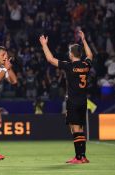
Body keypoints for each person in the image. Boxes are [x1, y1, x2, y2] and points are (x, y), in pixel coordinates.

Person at [39, 31, 93, 164]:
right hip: (83, 101)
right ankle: (83, 156)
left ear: (71, 54)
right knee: (80, 129)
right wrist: (84, 40)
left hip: (73, 101)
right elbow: (90, 55)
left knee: (75, 129)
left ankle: (78, 157)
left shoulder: (70, 66)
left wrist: (44, 45)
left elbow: (50, 59)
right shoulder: (86, 66)